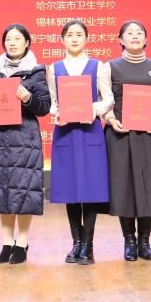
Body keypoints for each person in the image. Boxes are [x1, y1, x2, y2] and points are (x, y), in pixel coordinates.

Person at [104, 20, 151, 261]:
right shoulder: (110, 67)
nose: (135, 36)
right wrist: (111, 119)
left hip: (150, 135)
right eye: (129, 33)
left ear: (146, 39)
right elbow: (105, 99)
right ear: (120, 40)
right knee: (124, 187)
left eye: (139, 33)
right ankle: (129, 240)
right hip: (121, 135)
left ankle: (144, 241)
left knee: (149, 186)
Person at [0, 24, 51, 264]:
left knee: (24, 189)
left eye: (17, 39)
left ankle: (22, 242)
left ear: (27, 43)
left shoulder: (36, 71)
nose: (12, 43)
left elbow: (44, 107)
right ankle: (7, 242)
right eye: (8, 39)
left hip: (24, 137)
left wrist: (28, 98)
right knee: (2, 189)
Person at [47, 19, 113, 266]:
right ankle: (76, 243)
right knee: (70, 189)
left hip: (90, 132)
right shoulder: (54, 68)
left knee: (91, 189)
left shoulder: (98, 66)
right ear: (62, 40)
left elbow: (109, 99)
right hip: (65, 133)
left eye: (79, 34)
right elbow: (54, 101)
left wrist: (92, 109)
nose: (74, 39)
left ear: (87, 39)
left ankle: (88, 244)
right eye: (69, 35)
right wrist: (57, 112)